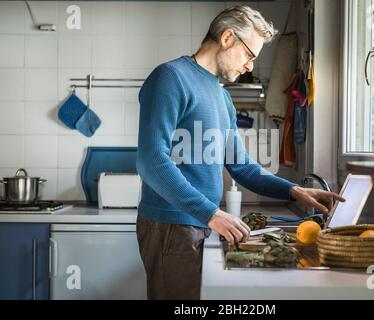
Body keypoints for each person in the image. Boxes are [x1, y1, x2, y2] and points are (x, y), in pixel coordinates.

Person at [136, 5, 345, 300]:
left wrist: (295, 191)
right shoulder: (171, 78)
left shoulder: (221, 96)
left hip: (202, 222)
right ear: (227, 38)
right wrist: (211, 213)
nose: (249, 66)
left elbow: (242, 166)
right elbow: (151, 161)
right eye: (249, 54)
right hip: (172, 223)